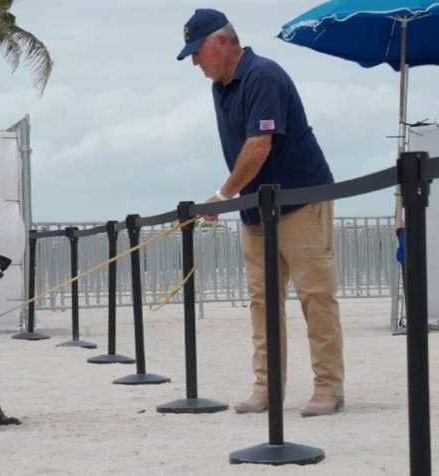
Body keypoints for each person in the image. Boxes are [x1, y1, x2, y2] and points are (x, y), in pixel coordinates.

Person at [177, 8, 345, 417]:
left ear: (221, 41)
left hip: (301, 201)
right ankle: (267, 388)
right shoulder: (220, 86)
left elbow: (258, 146)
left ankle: (329, 389)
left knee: (315, 298)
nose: (195, 62)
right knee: (262, 302)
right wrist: (234, 199)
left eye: (197, 52)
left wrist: (221, 195)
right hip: (257, 210)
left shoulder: (263, 75)